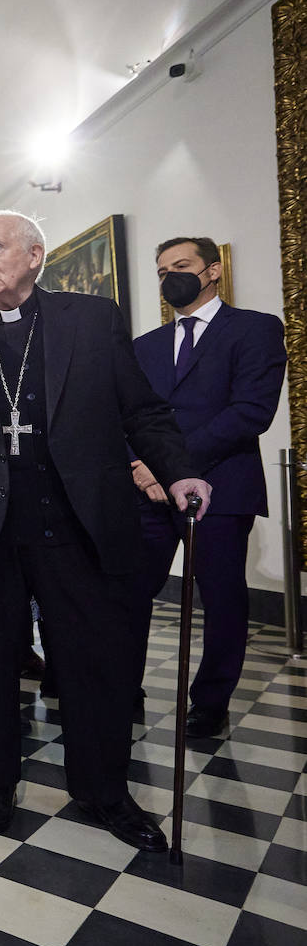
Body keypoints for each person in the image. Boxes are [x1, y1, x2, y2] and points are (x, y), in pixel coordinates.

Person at [0, 211, 211, 852]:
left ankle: (104, 791)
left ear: (36, 256)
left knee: (90, 664)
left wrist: (178, 471)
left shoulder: (91, 321)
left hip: (79, 522)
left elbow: (142, 410)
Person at [129, 237, 285, 737]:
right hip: (147, 494)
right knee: (130, 591)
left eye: (181, 265)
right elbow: (126, 414)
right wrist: (138, 464)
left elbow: (250, 413)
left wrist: (167, 465)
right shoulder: (144, 346)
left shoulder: (256, 330)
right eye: (161, 270)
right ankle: (123, 686)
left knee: (221, 599)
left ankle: (210, 702)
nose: (170, 276)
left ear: (212, 270)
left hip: (220, 486)